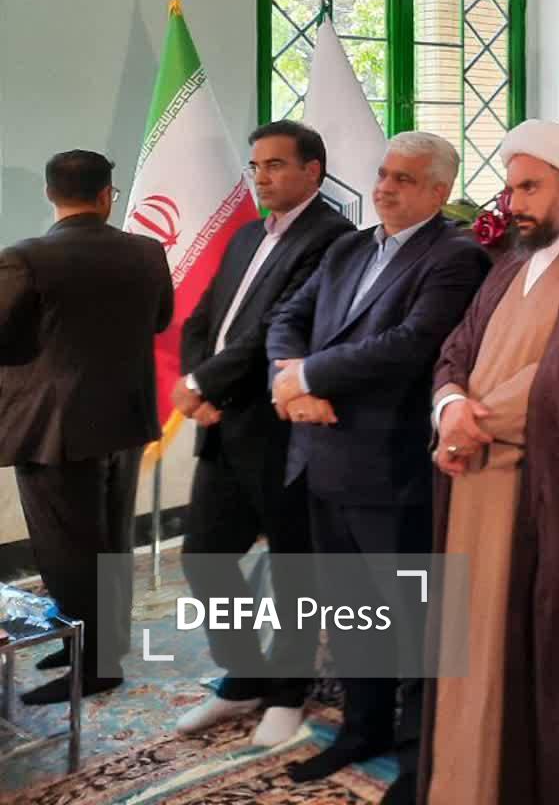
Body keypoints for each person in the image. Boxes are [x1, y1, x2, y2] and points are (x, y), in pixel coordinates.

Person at [418, 120, 559, 805]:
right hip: (470, 481)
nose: (512, 202)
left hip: (535, 494)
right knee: (465, 652)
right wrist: (449, 407)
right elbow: (455, 350)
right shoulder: (510, 264)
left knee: (512, 658)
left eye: (528, 188)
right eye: (510, 187)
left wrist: (469, 425)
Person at [266, 131, 490, 802]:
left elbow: (412, 344)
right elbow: (287, 316)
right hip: (321, 455)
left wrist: (310, 377)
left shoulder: (456, 255)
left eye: (403, 179)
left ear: (439, 191)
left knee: (410, 622)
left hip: (390, 467)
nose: (384, 188)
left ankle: (419, 762)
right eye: (383, 174)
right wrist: (290, 381)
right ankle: (362, 730)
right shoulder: (349, 246)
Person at [172, 121, 354, 745]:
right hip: (224, 422)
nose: (261, 177)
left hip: (279, 428)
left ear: (312, 171)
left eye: (275, 164)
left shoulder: (333, 238)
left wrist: (204, 384)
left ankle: (288, 692)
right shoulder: (248, 234)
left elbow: (274, 331)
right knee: (204, 556)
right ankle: (244, 676)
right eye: (256, 166)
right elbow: (203, 319)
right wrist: (198, 384)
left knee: (294, 566)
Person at [0, 150, 173, 704]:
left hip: (54, 427)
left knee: (66, 551)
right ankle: (95, 646)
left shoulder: (25, 258)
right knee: (111, 543)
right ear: (106, 196)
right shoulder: (147, 251)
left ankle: (93, 665)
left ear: (50, 193)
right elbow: (161, 319)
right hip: (126, 417)